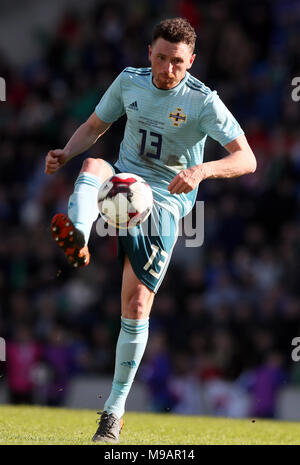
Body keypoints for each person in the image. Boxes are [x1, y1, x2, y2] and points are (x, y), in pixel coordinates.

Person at [45, 17, 256, 443]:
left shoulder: (203, 101)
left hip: (164, 203)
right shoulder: (129, 82)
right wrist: (65, 151)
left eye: (177, 61)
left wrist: (201, 171)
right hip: (126, 179)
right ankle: (80, 236)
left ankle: (114, 410)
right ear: (149, 53)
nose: (166, 68)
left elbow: (247, 159)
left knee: (137, 306)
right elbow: (95, 126)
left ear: (191, 61)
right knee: (92, 165)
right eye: (160, 58)